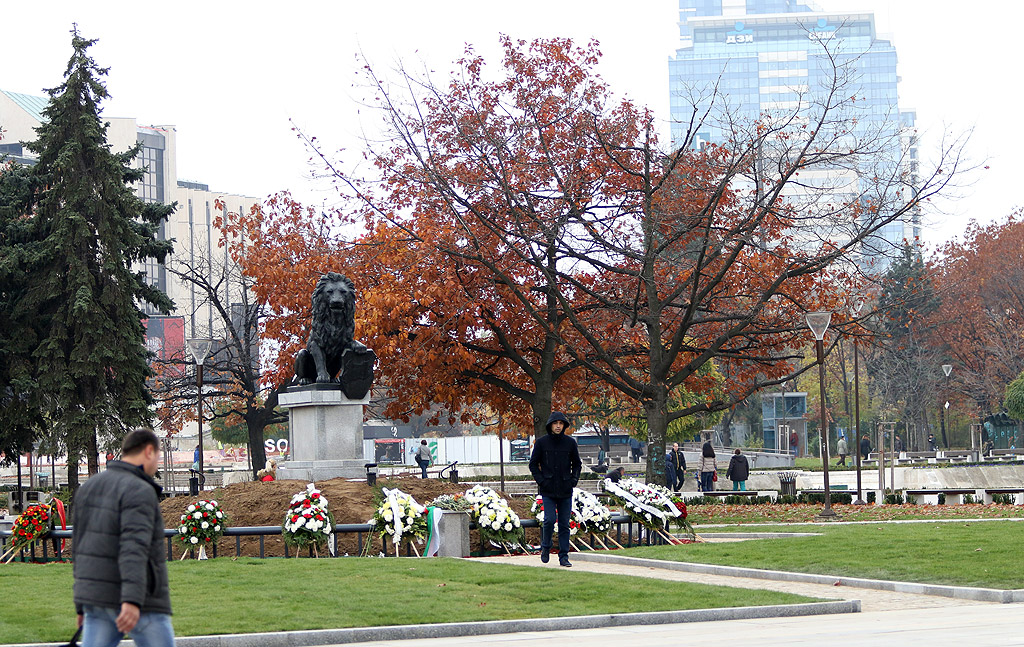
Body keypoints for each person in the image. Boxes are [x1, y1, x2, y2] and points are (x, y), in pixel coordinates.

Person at [73, 428, 173, 647]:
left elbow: (79, 549)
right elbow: (134, 548)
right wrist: (132, 600)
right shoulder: (140, 490)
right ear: (148, 451)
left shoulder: (88, 487)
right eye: (157, 456)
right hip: (141, 602)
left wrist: (82, 604)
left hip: (96, 599)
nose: (157, 463)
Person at [529, 411, 582, 568]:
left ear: (564, 425)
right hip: (548, 489)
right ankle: (546, 546)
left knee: (565, 524)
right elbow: (533, 464)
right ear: (550, 425)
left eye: (561, 423)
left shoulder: (570, 443)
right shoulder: (541, 443)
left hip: (565, 489)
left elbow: (577, 464)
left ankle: (563, 556)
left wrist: (573, 480)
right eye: (555, 423)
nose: (558, 426)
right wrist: (541, 481)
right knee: (549, 519)